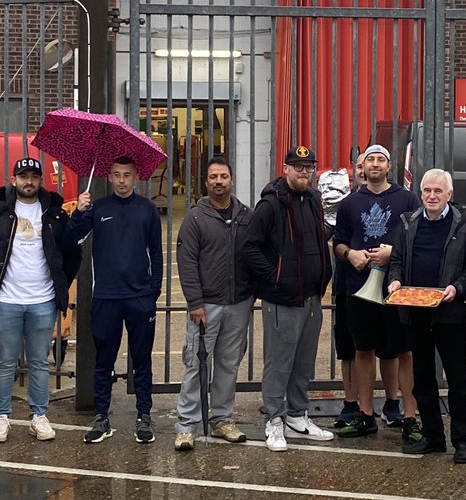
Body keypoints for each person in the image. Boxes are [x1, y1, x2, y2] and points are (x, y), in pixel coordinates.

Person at [387, 169, 466, 463]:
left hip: (451, 313)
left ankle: (462, 440)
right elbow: (397, 260)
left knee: (456, 378)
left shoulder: (465, 225)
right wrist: (395, 281)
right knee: (423, 378)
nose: (432, 196)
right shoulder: (407, 223)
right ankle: (433, 436)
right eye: (427, 191)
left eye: (438, 192)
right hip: (416, 311)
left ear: (449, 196)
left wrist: (458, 287)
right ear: (420, 193)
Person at [242, 144, 336, 452]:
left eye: (308, 167)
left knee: (303, 362)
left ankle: (298, 416)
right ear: (285, 169)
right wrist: (276, 278)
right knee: (279, 363)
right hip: (283, 299)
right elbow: (250, 248)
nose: (303, 172)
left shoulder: (312, 200)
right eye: (298, 167)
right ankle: (274, 420)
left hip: (310, 298)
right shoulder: (271, 204)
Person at [0, 157, 81, 444]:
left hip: (43, 300)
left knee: (39, 362)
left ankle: (39, 416)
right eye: (23, 176)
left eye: (34, 176)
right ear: (13, 179)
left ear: (41, 180)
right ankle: (1, 417)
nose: (29, 181)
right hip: (6, 300)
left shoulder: (55, 215)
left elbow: (72, 253)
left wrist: (60, 282)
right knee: (5, 362)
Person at [67, 156, 164, 445]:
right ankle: (101, 417)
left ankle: (144, 416)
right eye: (117, 175)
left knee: (142, 360)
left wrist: (154, 290)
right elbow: (70, 240)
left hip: (139, 298)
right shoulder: (97, 208)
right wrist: (78, 213)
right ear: (108, 177)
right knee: (104, 360)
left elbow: (157, 253)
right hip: (106, 297)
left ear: (136, 178)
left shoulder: (147, 210)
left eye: (127, 175)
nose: (122, 181)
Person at [332, 144, 421, 442]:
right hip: (359, 288)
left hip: (395, 288)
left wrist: (393, 253)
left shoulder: (407, 199)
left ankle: (409, 416)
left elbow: (417, 238)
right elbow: (339, 242)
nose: (375, 164)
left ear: (389, 166)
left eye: (381, 159)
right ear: (363, 167)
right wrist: (350, 255)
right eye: (370, 159)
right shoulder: (349, 203)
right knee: (363, 349)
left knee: (401, 351)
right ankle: (366, 414)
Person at [173, 156, 254, 451]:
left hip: (238, 303)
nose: (219, 182)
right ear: (206, 182)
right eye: (213, 177)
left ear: (231, 180)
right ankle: (186, 426)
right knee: (196, 363)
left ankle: (222, 420)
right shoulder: (196, 218)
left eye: (223, 177)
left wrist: (251, 292)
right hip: (205, 305)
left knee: (228, 364)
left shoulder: (246, 215)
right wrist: (195, 302)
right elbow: (187, 262)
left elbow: (254, 255)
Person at [324, 153, 365, 428]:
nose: (366, 169)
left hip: (386, 286)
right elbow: (329, 238)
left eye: (373, 163)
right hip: (347, 285)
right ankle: (351, 403)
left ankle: (392, 403)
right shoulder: (342, 203)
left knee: (391, 349)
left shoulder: (396, 199)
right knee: (348, 349)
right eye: (360, 165)